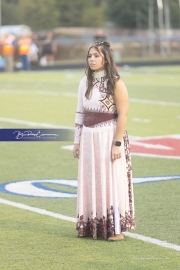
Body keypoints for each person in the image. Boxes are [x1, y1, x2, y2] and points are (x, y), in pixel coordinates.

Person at [73, 41, 135, 241]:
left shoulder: (116, 82)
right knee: (92, 179)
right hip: (89, 137)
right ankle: (93, 226)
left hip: (109, 136)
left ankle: (116, 229)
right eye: (90, 56)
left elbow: (123, 115)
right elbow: (80, 113)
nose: (92, 59)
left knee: (111, 179)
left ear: (106, 58)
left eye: (96, 56)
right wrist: (77, 141)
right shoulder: (84, 82)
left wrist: (117, 143)